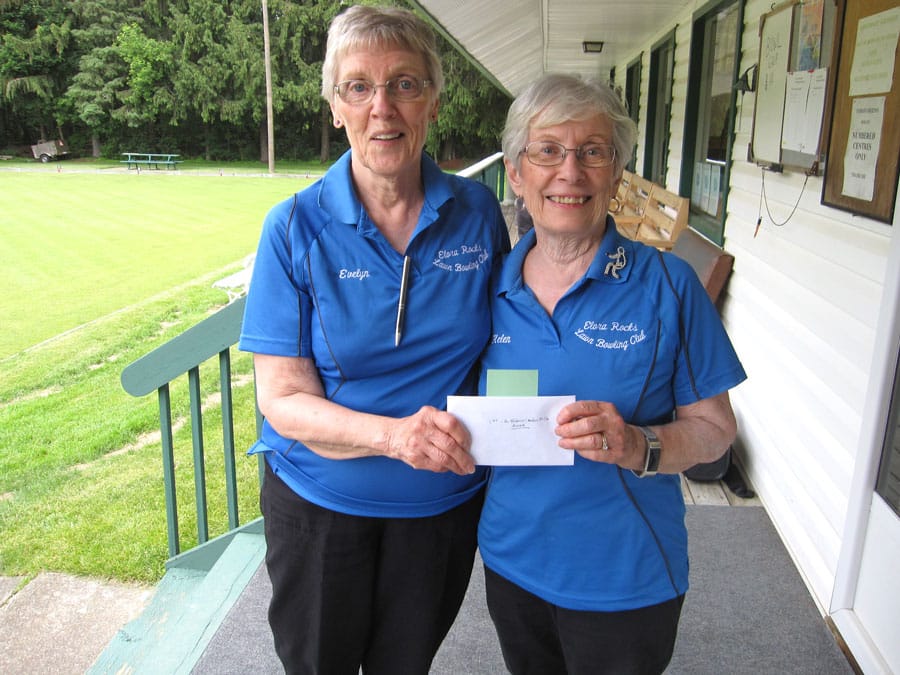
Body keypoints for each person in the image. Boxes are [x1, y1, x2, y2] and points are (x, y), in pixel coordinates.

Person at [238, 6, 510, 674]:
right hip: (319, 507)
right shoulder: (293, 227)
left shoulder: (477, 216)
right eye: (359, 87)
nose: (381, 107)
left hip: (440, 509)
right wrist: (394, 436)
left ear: (433, 100)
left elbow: (506, 347)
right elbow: (282, 398)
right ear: (336, 106)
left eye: (405, 84)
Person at [476, 73, 747, 674]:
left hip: (626, 574)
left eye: (593, 152)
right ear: (517, 174)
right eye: (547, 150)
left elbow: (714, 427)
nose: (569, 172)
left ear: (616, 175)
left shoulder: (669, 286)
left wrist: (639, 444)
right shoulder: (486, 288)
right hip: (511, 562)